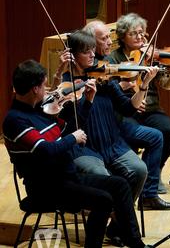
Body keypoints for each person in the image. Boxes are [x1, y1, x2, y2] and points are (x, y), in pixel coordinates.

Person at [4, 60, 149, 248]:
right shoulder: (16, 120)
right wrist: (73, 138)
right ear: (35, 89)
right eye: (45, 85)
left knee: (119, 185)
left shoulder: (40, 111)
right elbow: (46, 150)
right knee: (103, 200)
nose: (48, 89)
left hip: (67, 177)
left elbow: (69, 131)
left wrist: (88, 102)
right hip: (46, 187)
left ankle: (135, 242)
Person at [83, 21, 170, 211]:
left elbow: (126, 105)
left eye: (109, 37)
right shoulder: (99, 64)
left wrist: (143, 85)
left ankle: (148, 192)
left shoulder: (108, 63)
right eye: (104, 38)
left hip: (122, 119)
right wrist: (123, 86)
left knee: (160, 134)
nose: (110, 42)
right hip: (109, 127)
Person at [105, 13, 170, 192]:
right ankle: (140, 178)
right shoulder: (113, 59)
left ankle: (154, 174)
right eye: (133, 33)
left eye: (142, 33)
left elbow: (167, 84)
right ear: (122, 36)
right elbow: (108, 89)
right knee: (149, 135)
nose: (140, 37)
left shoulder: (151, 56)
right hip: (125, 112)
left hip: (151, 109)